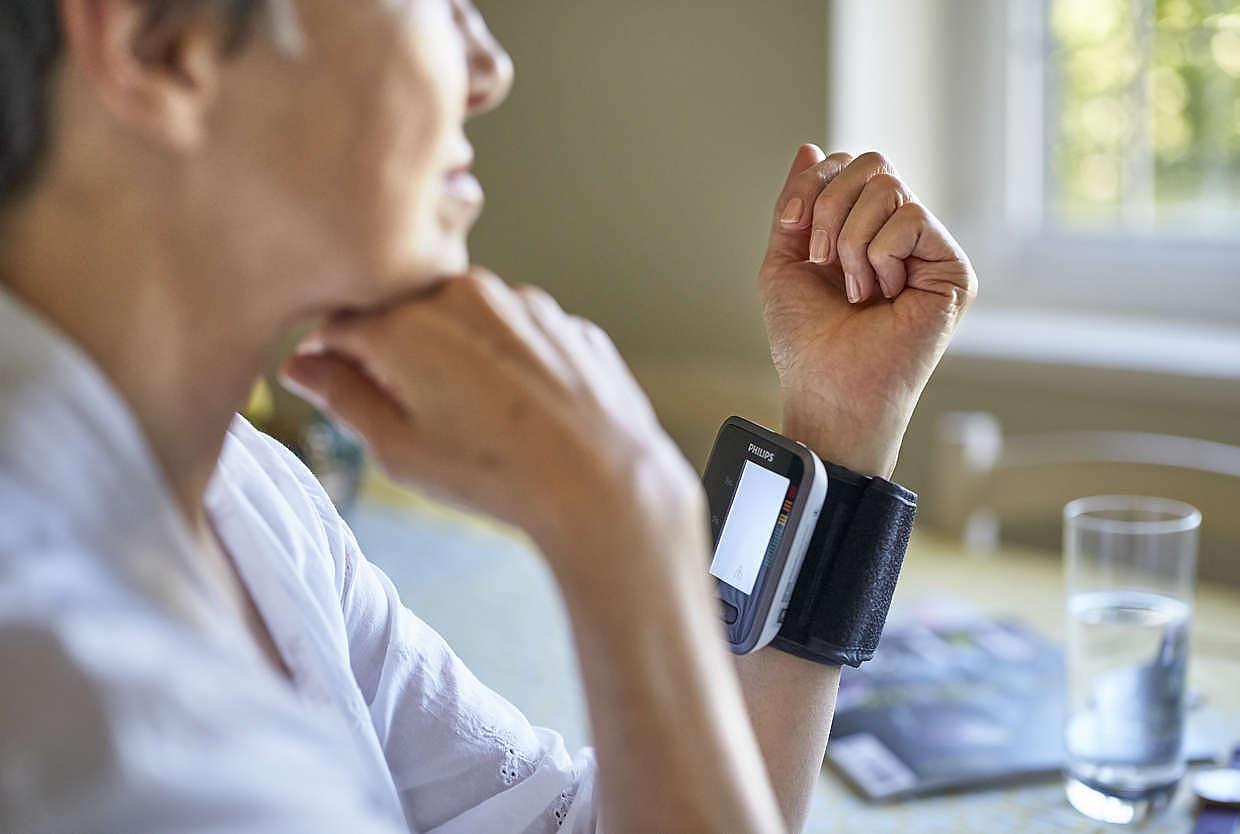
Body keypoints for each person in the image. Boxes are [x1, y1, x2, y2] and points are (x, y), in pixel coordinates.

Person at [0, 1, 976, 832]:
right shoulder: (69, 702)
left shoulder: (242, 495)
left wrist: (834, 438)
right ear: (154, 47)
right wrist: (627, 533)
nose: (489, 66)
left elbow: (643, 807)